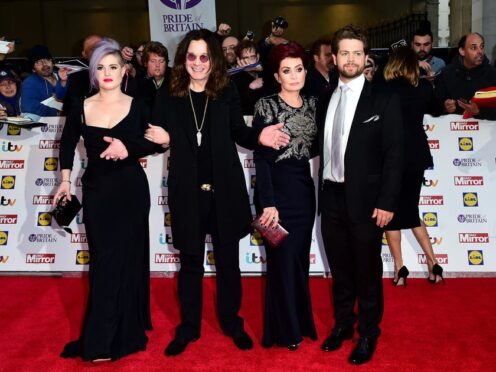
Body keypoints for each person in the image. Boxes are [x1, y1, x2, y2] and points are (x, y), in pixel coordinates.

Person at [143, 28, 290, 357]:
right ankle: (189, 327)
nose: (197, 62)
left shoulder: (227, 91)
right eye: (191, 56)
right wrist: (163, 140)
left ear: (214, 60)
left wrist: (259, 138)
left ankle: (231, 321)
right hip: (186, 192)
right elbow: (156, 134)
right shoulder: (169, 92)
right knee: (191, 264)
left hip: (225, 190)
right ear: (184, 59)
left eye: (204, 56)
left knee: (228, 264)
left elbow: (239, 131)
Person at [53, 38, 162, 362]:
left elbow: (159, 142)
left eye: (113, 66)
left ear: (124, 69)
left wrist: (130, 148)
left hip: (132, 191)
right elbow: (67, 143)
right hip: (98, 192)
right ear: (93, 71)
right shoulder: (81, 106)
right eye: (100, 67)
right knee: (103, 263)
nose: (107, 72)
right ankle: (99, 339)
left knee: (129, 262)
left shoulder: (140, 104)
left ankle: (128, 331)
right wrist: (63, 182)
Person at [317, 25, 403, 365]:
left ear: (365, 58)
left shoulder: (384, 98)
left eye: (357, 53)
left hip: (368, 203)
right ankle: (343, 325)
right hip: (331, 197)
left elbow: (395, 155)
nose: (350, 59)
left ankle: (369, 333)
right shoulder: (325, 97)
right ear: (334, 57)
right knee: (340, 270)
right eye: (344, 53)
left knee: (366, 272)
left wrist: (387, 202)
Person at [253, 41, 318, 351]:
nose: (294, 76)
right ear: (277, 76)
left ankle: (302, 324)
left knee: (299, 263)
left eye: (299, 69)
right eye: (286, 71)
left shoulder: (314, 105)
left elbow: (315, 148)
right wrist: (267, 202)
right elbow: (261, 160)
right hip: (275, 196)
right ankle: (284, 331)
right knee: (281, 263)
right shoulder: (265, 106)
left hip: (304, 192)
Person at [383, 47, 444, 286]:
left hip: (391, 158)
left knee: (389, 212)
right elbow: (438, 109)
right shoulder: (424, 88)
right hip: (417, 156)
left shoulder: (382, 89)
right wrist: (427, 79)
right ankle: (433, 263)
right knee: (411, 211)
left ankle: (400, 268)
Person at [435, 32, 496, 119]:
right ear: (462, 51)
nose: (480, 52)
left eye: (481, 47)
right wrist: (445, 107)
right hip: (453, 129)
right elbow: (433, 106)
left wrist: (479, 111)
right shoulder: (446, 74)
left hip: (485, 129)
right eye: (474, 48)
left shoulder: (492, 74)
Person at [21, 44, 69, 118]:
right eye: (39, 62)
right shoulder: (30, 83)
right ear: (33, 69)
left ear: (52, 62)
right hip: (46, 125)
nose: (44, 64)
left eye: (47, 60)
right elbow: (29, 107)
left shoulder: (63, 75)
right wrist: (57, 112)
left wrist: (63, 81)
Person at [62, 35, 102, 113]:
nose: (99, 51)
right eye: (93, 49)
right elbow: (71, 108)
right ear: (84, 54)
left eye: (102, 47)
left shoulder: (118, 72)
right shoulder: (76, 77)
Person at [230, 39, 266, 115]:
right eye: (245, 58)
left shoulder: (265, 73)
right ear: (238, 60)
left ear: (258, 57)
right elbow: (241, 106)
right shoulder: (234, 79)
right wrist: (251, 88)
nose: (249, 61)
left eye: (252, 57)